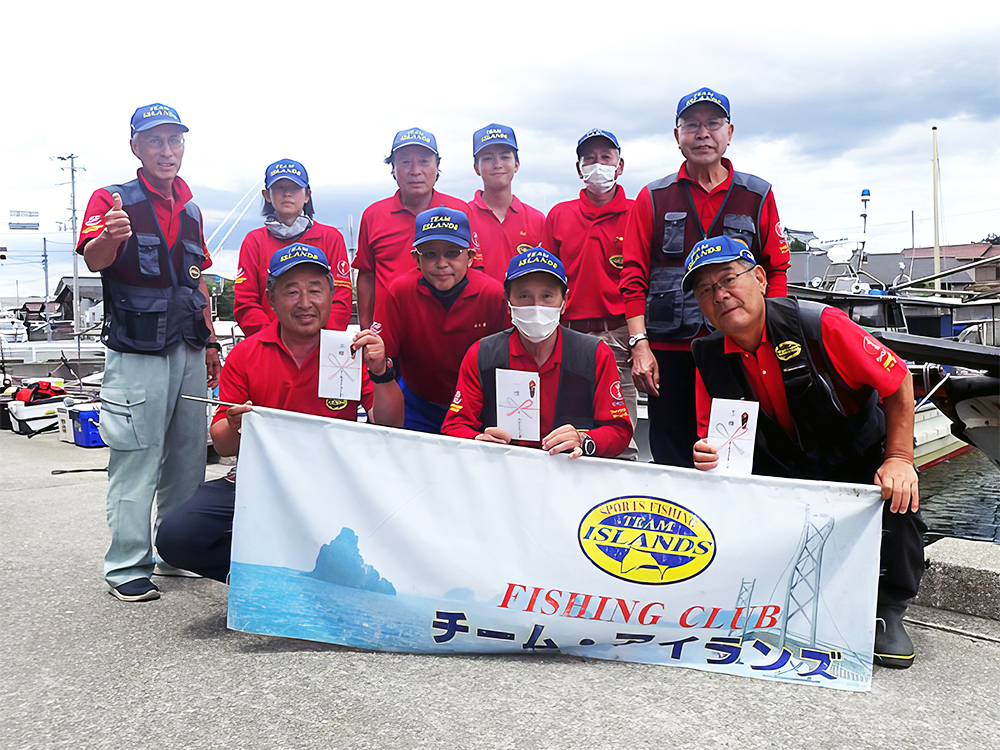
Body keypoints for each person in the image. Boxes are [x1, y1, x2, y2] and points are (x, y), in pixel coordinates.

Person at [685, 235, 924, 669]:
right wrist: (706, 454)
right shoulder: (706, 357)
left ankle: (887, 609)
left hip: (857, 454)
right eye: (705, 290)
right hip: (785, 469)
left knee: (898, 495)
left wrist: (899, 458)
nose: (719, 295)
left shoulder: (820, 324)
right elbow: (712, 439)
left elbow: (898, 381)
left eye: (729, 279)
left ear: (760, 278)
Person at [156, 244, 404, 583]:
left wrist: (381, 372)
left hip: (335, 482)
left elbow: (390, 424)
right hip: (261, 479)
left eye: (315, 290)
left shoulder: (350, 351)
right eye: (291, 291)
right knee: (177, 537)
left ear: (332, 296)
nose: (305, 302)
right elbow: (223, 445)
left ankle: (317, 573)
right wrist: (237, 424)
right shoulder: (246, 354)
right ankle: (265, 579)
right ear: (271, 299)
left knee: (389, 538)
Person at [76, 103, 221, 602]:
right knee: (136, 456)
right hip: (136, 350)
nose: (166, 150)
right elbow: (94, 260)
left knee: (188, 456)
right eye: (155, 140)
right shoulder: (111, 199)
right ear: (135, 146)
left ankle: (173, 551)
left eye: (174, 140)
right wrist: (110, 237)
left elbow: (197, 284)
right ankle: (125, 565)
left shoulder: (193, 210)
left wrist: (211, 342)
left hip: (189, 346)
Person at [620, 87, 791, 467]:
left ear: (729, 132)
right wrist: (640, 345)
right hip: (669, 352)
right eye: (691, 125)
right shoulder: (653, 197)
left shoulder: (757, 194)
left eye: (712, 124)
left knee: (738, 451)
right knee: (671, 451)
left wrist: (773, 334)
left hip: (738, 348)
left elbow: (776, 269)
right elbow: (633, 276)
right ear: (677, 135)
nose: (702, 134)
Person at [441, 248, 632, 458]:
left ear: (564, 302)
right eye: (524, 296)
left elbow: (619, 431)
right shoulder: (482, 354)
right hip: (503, 467)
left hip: (569, 467)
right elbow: (455, 425)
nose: (536, 307)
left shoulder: (595, 355)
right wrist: (478, 440)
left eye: (547, 296)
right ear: (508, 302)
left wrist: (584, 440)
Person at [542, 128, 637, 459]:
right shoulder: (559, 215)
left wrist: (640, 340)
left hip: (620, 334)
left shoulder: (638, 212)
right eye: (590, 159)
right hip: (568, 335)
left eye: (606, 158)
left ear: (620, 165)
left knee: (622, 432)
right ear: (579, 168)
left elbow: (644, 279)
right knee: (566, 427)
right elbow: (547, 282)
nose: (598, 165)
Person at [370, 207, 508, 433]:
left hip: (478, 408)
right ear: (416, 258)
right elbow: (384, 362)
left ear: (470, 257)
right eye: (430, 254)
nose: (442, 263)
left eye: (452, 253)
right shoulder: (399, 292)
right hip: (419, 403)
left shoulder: (492, 294)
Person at [353, 128, 467, 330]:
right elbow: (367, 275)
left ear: (437, 166)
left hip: (446, 327)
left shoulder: (459, 212)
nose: (415, 171)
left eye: (424, 161)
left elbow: (473, 271)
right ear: (393, 168)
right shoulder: (373, 215)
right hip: (389, 331)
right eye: (405, 162)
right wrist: (365, 328)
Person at [234, 159, 352, 335]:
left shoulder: (331, 238)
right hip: (269, 343)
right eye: (279, 187)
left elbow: (341, 298)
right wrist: (272, 340)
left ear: (307, 195)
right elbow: (245, 302)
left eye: (295, 188)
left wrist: (320, 340)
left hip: (322, 344)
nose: (287, 194)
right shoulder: (254, 241)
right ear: (267, 195)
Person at [466, 123, 545, 280]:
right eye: (488, 158)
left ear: (516, 164)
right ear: (476, 168)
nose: (497, 165)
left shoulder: (537, 220)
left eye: (504, 157)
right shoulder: (463, 217)